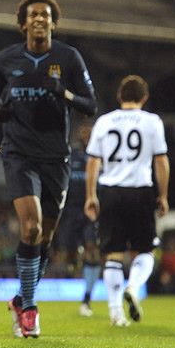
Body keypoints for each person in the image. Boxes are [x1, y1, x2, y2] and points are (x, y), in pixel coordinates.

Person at [0, 0, 96, 338]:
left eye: (45, 15)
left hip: (55, 157)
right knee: (30, 228)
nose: (39, 19)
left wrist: (64, 93)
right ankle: (31, 308)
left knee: (45, 237)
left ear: (53, 22)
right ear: (23, 23)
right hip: (18, 153)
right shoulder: (7, 58)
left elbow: (90, 105)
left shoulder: (68, 57)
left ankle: (20, 299)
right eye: (33, 15)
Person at [85, 75, 169, 326]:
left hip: (110, 191)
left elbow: (93, 161)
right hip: (140, 189)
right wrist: (163, 195)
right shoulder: (152, 121)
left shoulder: (104, 121)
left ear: (120, 96)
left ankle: (115, 313)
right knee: (145, 250)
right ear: (144, 97)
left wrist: (91, 195)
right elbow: (161, 160)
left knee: (113, 254)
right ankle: (133, 287)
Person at [55, 121, 99, 317]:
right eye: (85, 135)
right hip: (70, 210)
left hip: (90, 210)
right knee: (71, 252)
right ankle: (73, 260)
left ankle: (87, 298)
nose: (87, 139)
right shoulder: (69, 154)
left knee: (92, 249)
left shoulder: (100, 156)